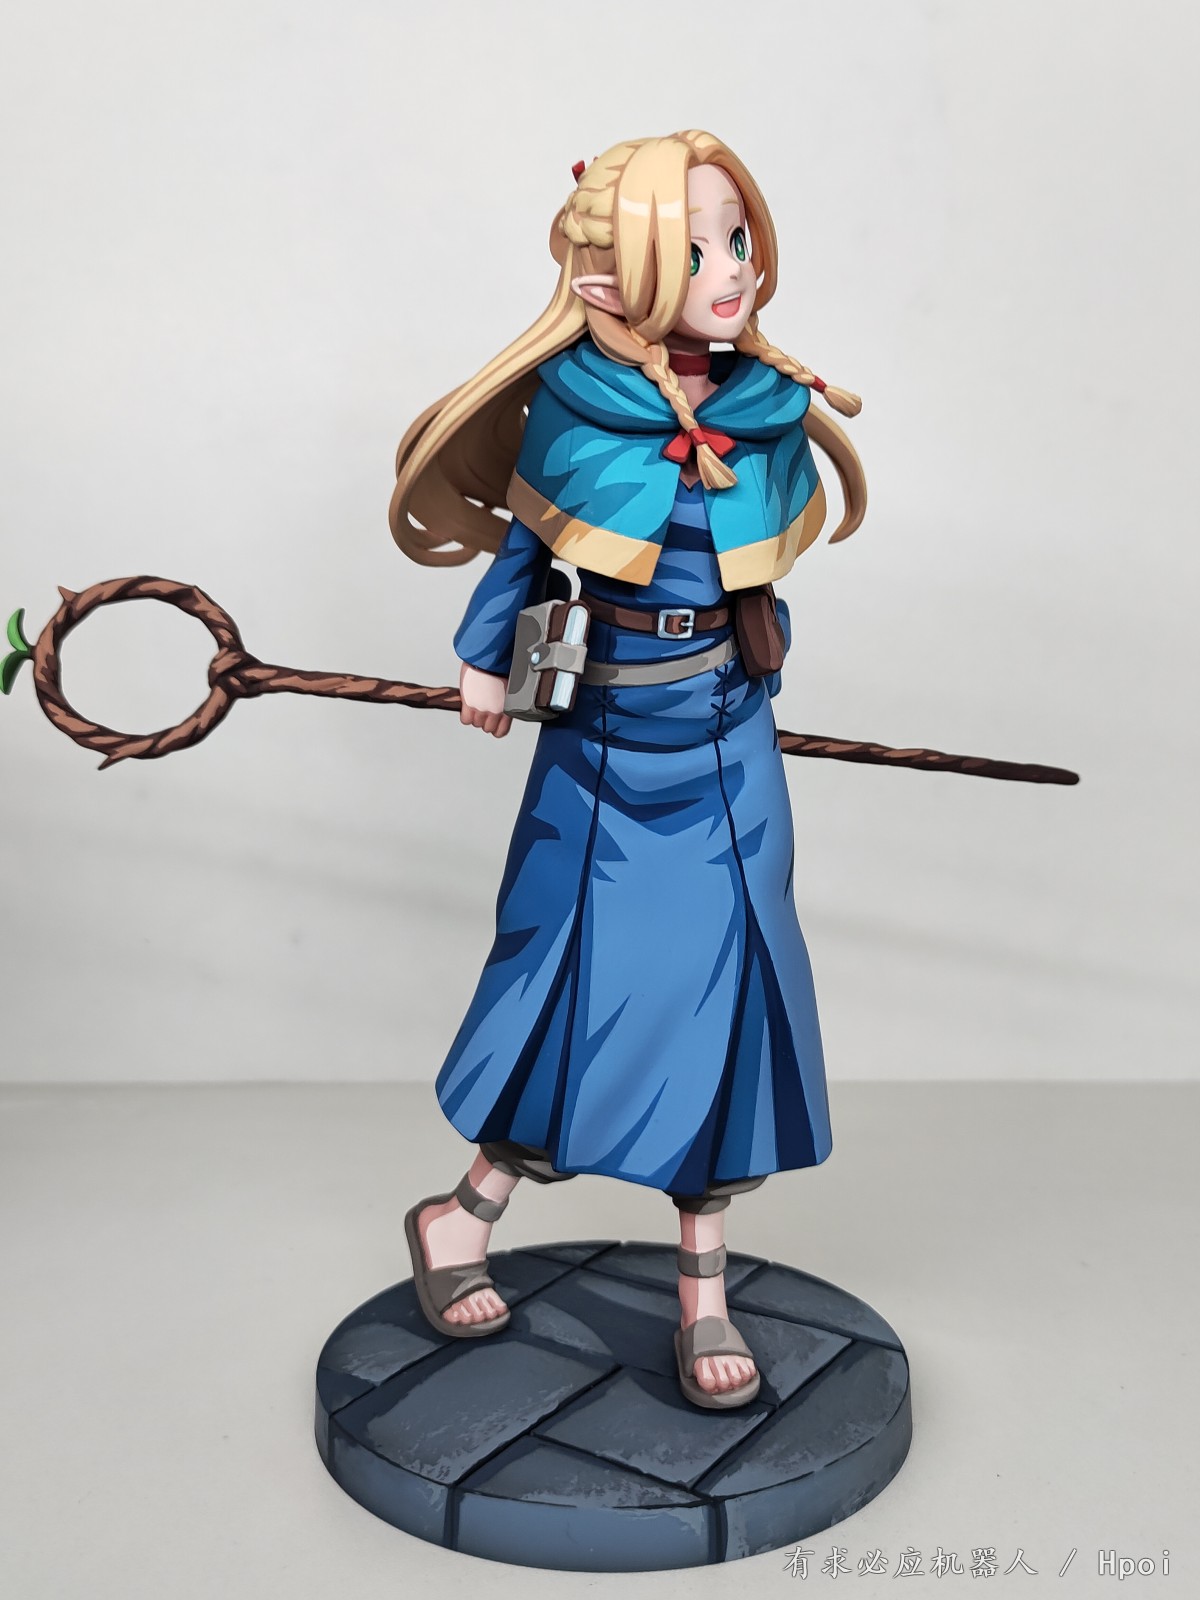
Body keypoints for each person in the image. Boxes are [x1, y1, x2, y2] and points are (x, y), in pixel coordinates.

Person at [389, 130, 867, 1408]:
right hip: (603, 746)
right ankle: (461, 1216)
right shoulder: (578, 405)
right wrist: (483, 659)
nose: (733, 271)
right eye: (696, 250)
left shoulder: (765, 408)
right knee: (570, 988)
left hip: (728, 743)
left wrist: (755, 660)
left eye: (738, 241)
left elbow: (758, 570)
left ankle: (704, 1292)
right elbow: (526, 554)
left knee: (733, 1000)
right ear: (608, 279)